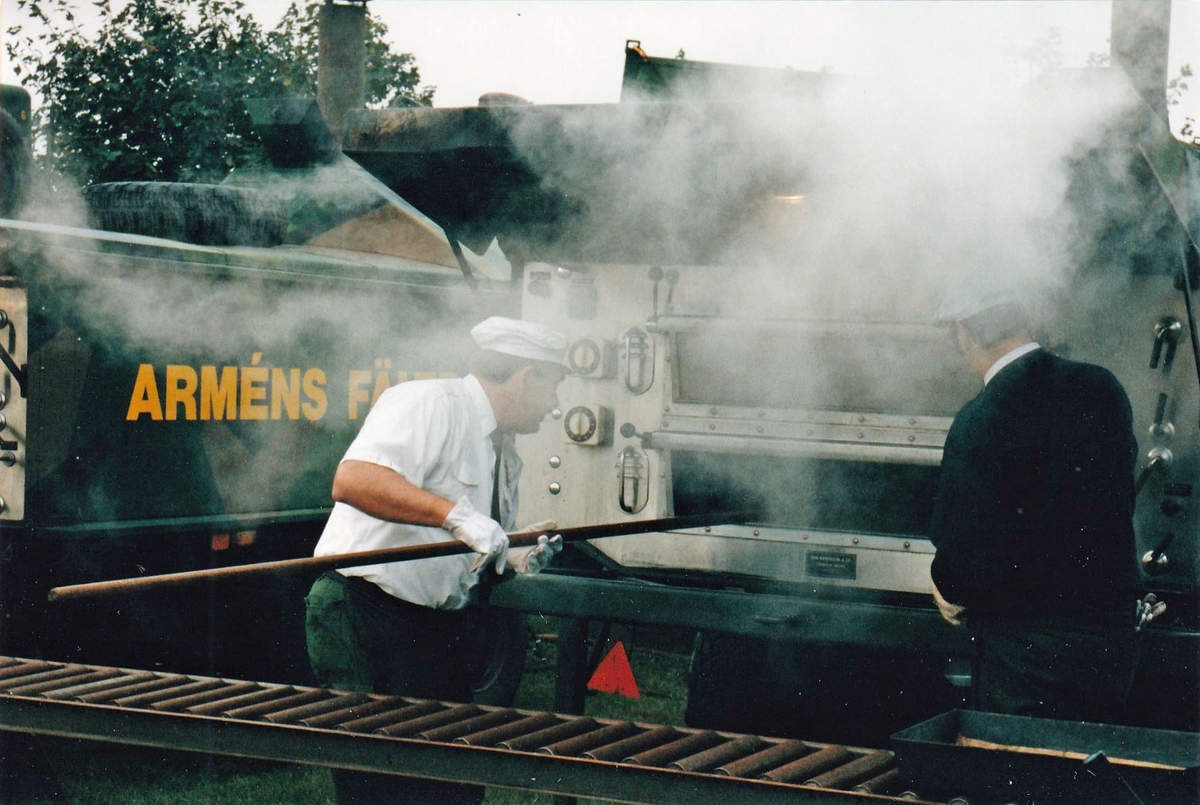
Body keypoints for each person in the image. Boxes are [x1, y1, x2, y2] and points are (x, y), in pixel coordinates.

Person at [305, 315, 568, 805]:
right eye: (555, 386)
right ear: (527, 374)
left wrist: (516, 549)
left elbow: (474, 544)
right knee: (383, 787)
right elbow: (354, 480)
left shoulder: (505, 451)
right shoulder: (428, 402)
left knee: (453, 784)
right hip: (365, 612)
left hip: (436, 628)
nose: (555, 405)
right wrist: (455, 517)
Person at [929, 293, 1140, 723]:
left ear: (964, 333)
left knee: (1029, 781)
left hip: (1027, 661)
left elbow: (960, 563)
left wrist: (947, 589)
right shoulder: (1102, 387)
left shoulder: (979, 417)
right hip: (1109, 651)